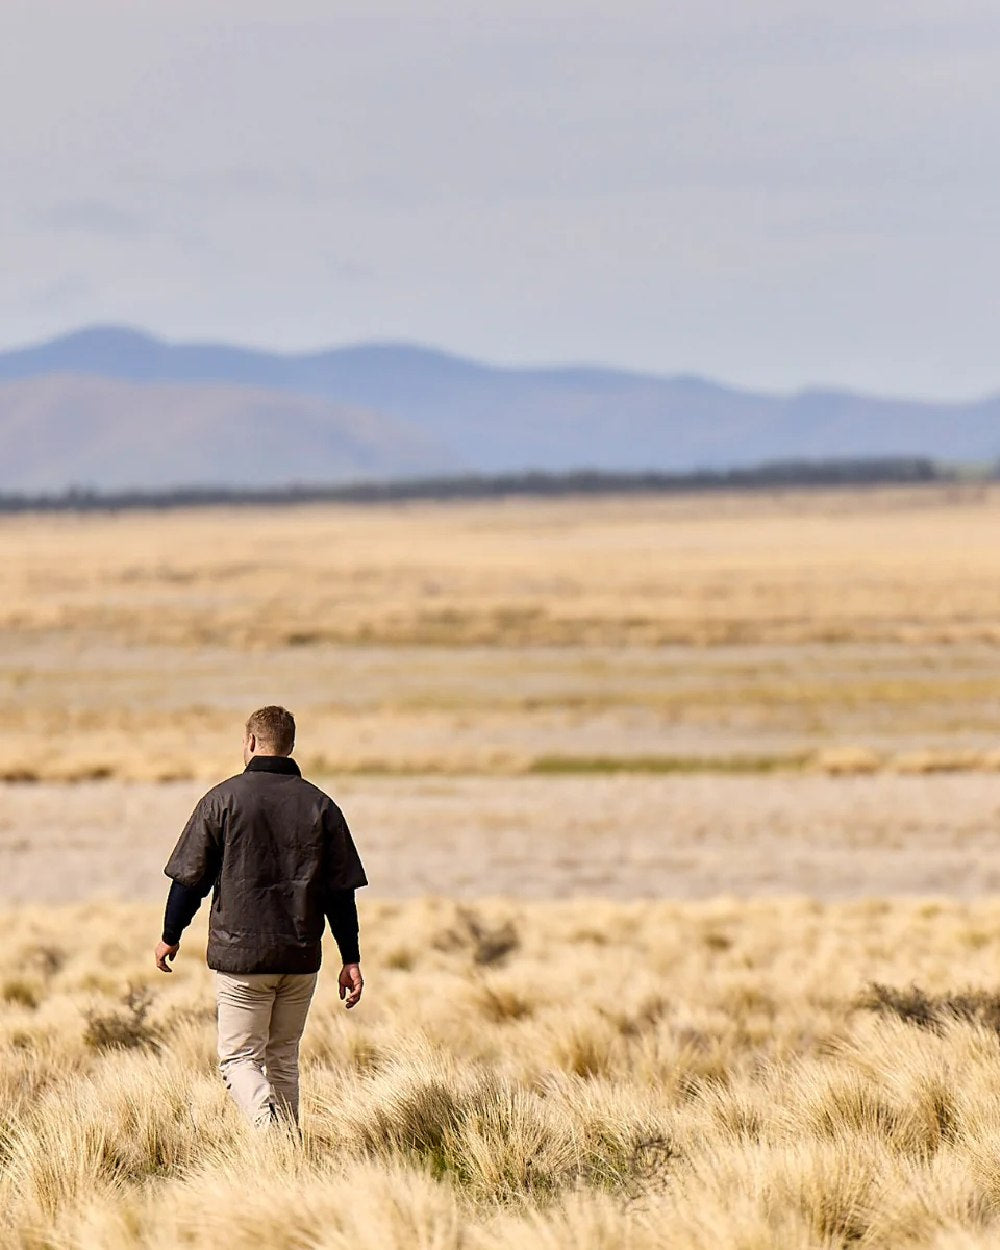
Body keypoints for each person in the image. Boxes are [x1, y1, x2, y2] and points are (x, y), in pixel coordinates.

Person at [154, 705, 367, 1130]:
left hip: (241, 962)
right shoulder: (321, 806)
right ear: (290, 746)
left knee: (238, 1060)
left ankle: (267, 1130)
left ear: (251, 742)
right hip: (300, 957)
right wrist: (351, 958)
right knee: (283, 1060)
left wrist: (170, 934)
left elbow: (189, 880)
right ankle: (287, 1156)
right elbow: (339, 893)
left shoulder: (221, 800)